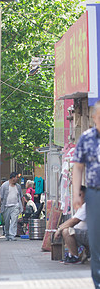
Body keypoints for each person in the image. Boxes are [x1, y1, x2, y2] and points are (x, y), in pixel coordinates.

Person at [72, 100, 100, 288]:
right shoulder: (87, 138)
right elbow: (78, 167)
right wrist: (76, 194)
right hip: (94, 193)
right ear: (95, 117)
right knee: (96, 239)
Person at [55, 186, 89, 264]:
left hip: (90, 235)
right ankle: (71, 255)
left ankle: (74, 256)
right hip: (85, 234)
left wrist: (59, 229)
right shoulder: (82, 206)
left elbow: (74, 221)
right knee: (66, 229)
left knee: (66, 231)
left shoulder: (87, 205)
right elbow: (72, 220)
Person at [0, 172, 24, 241]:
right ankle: (7, 234)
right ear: (13, 178)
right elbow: (1, 196)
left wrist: (22, 206)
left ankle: (12, 235)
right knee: (7, 222)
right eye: (17, 177)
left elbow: (21, 196)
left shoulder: (18, 186)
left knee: (14, 221)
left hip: (15, 206)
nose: (17, 179)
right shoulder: (4, 186)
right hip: (6, 206)